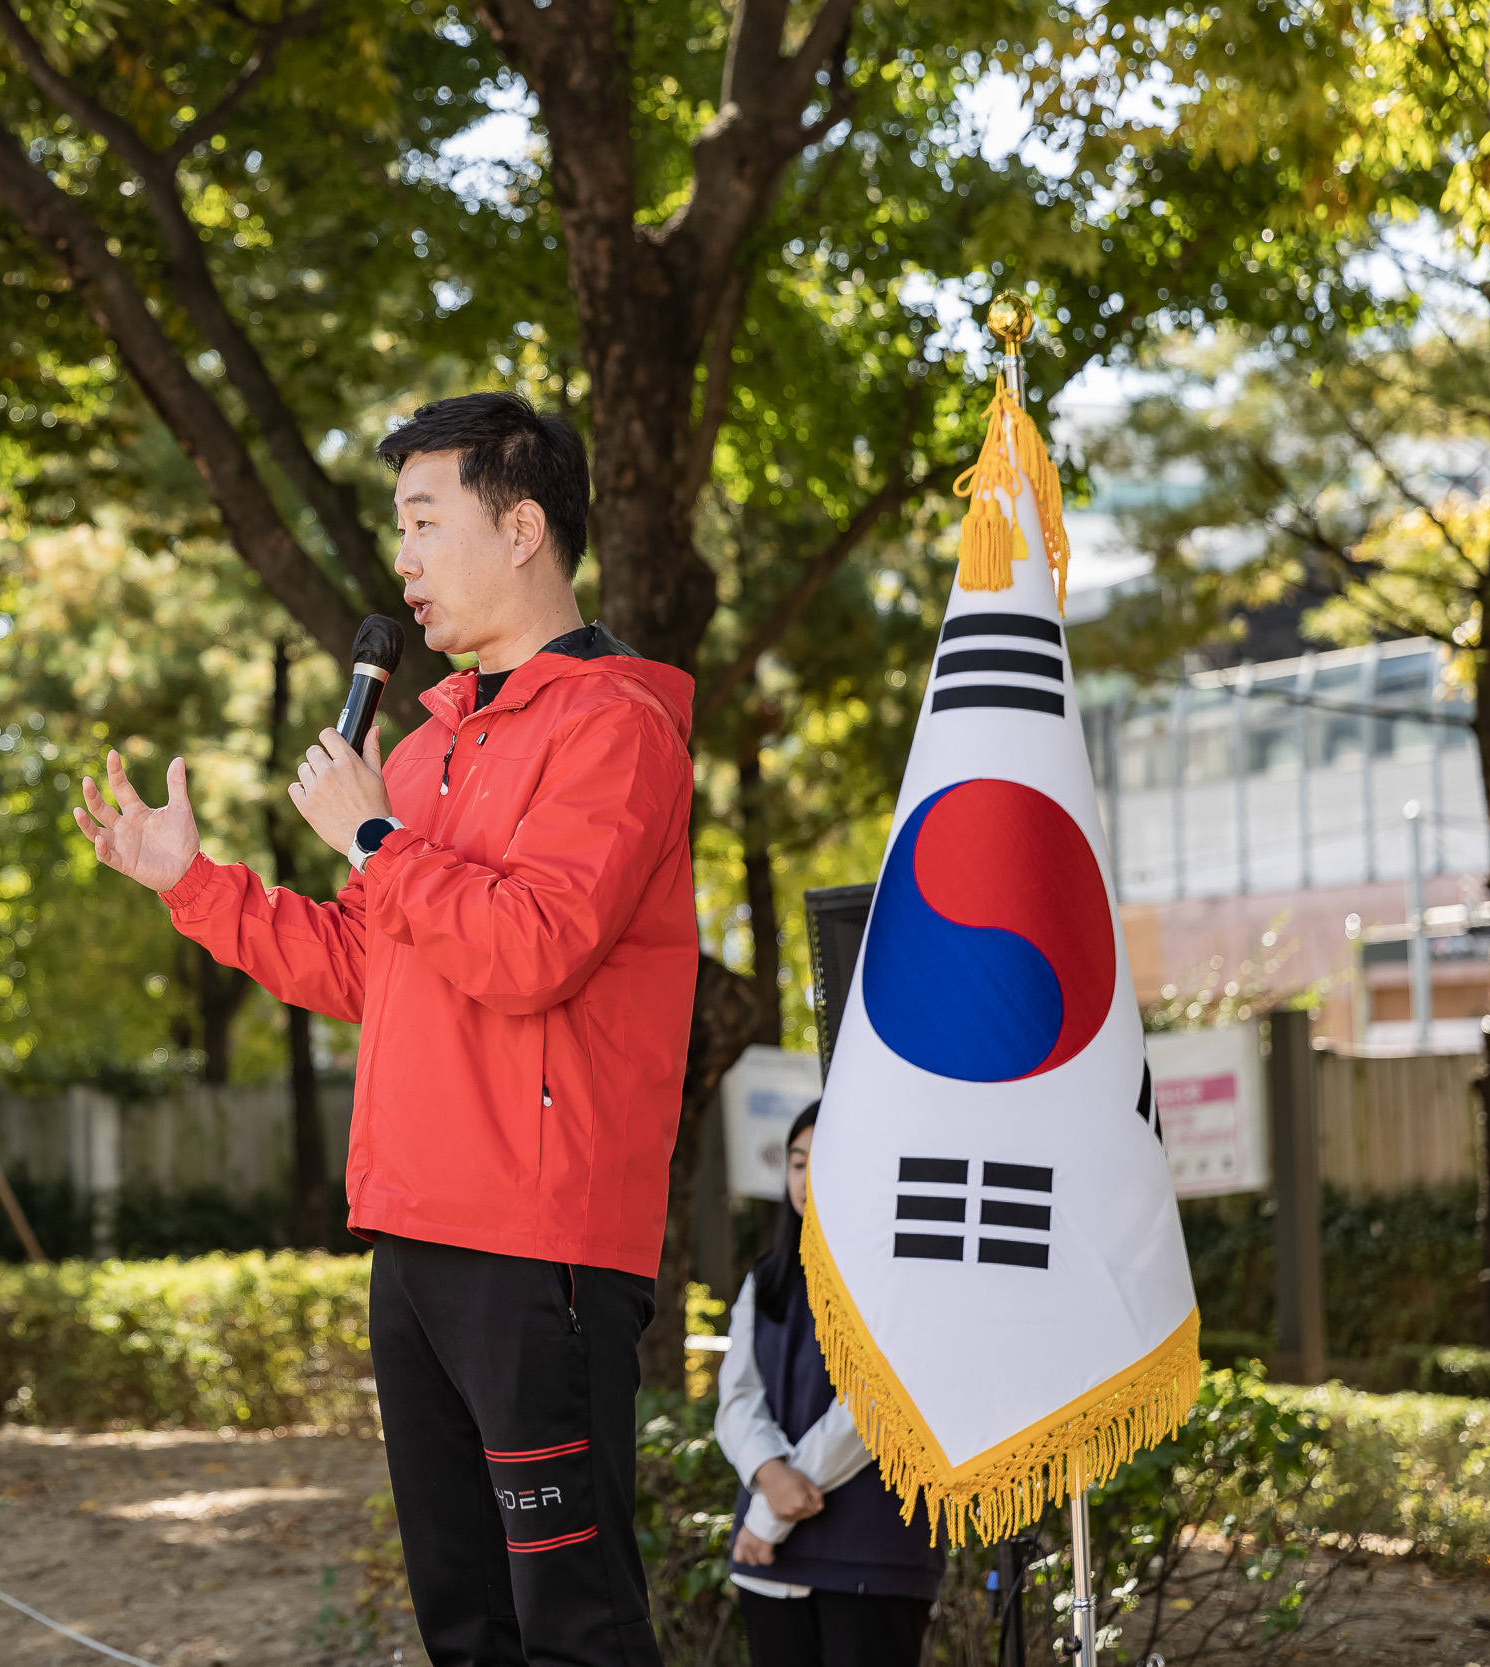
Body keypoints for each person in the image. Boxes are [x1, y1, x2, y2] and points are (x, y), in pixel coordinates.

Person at [72, 390, 697, 1665]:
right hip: (411, 1230)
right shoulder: (422, 753)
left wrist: (372, 837)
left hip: (541, 1245)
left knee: (572, 1626)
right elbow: (372, 966)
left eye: (424, 520)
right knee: (463, 1625)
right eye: (395, 526)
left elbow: (532, 949)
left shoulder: (616, 725)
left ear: (522, 527)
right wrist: (191, 884)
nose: (400, 559)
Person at [715, 1102, 943, 1666]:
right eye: (797, 1162)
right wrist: (768, 1473)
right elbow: (737, 1398)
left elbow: (875, 1408)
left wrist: (771, 1513)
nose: (806, 1177)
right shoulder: (766, 1279)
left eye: (828, 1161)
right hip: (770, 1563)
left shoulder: (903, 1273)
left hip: (871, 1554)